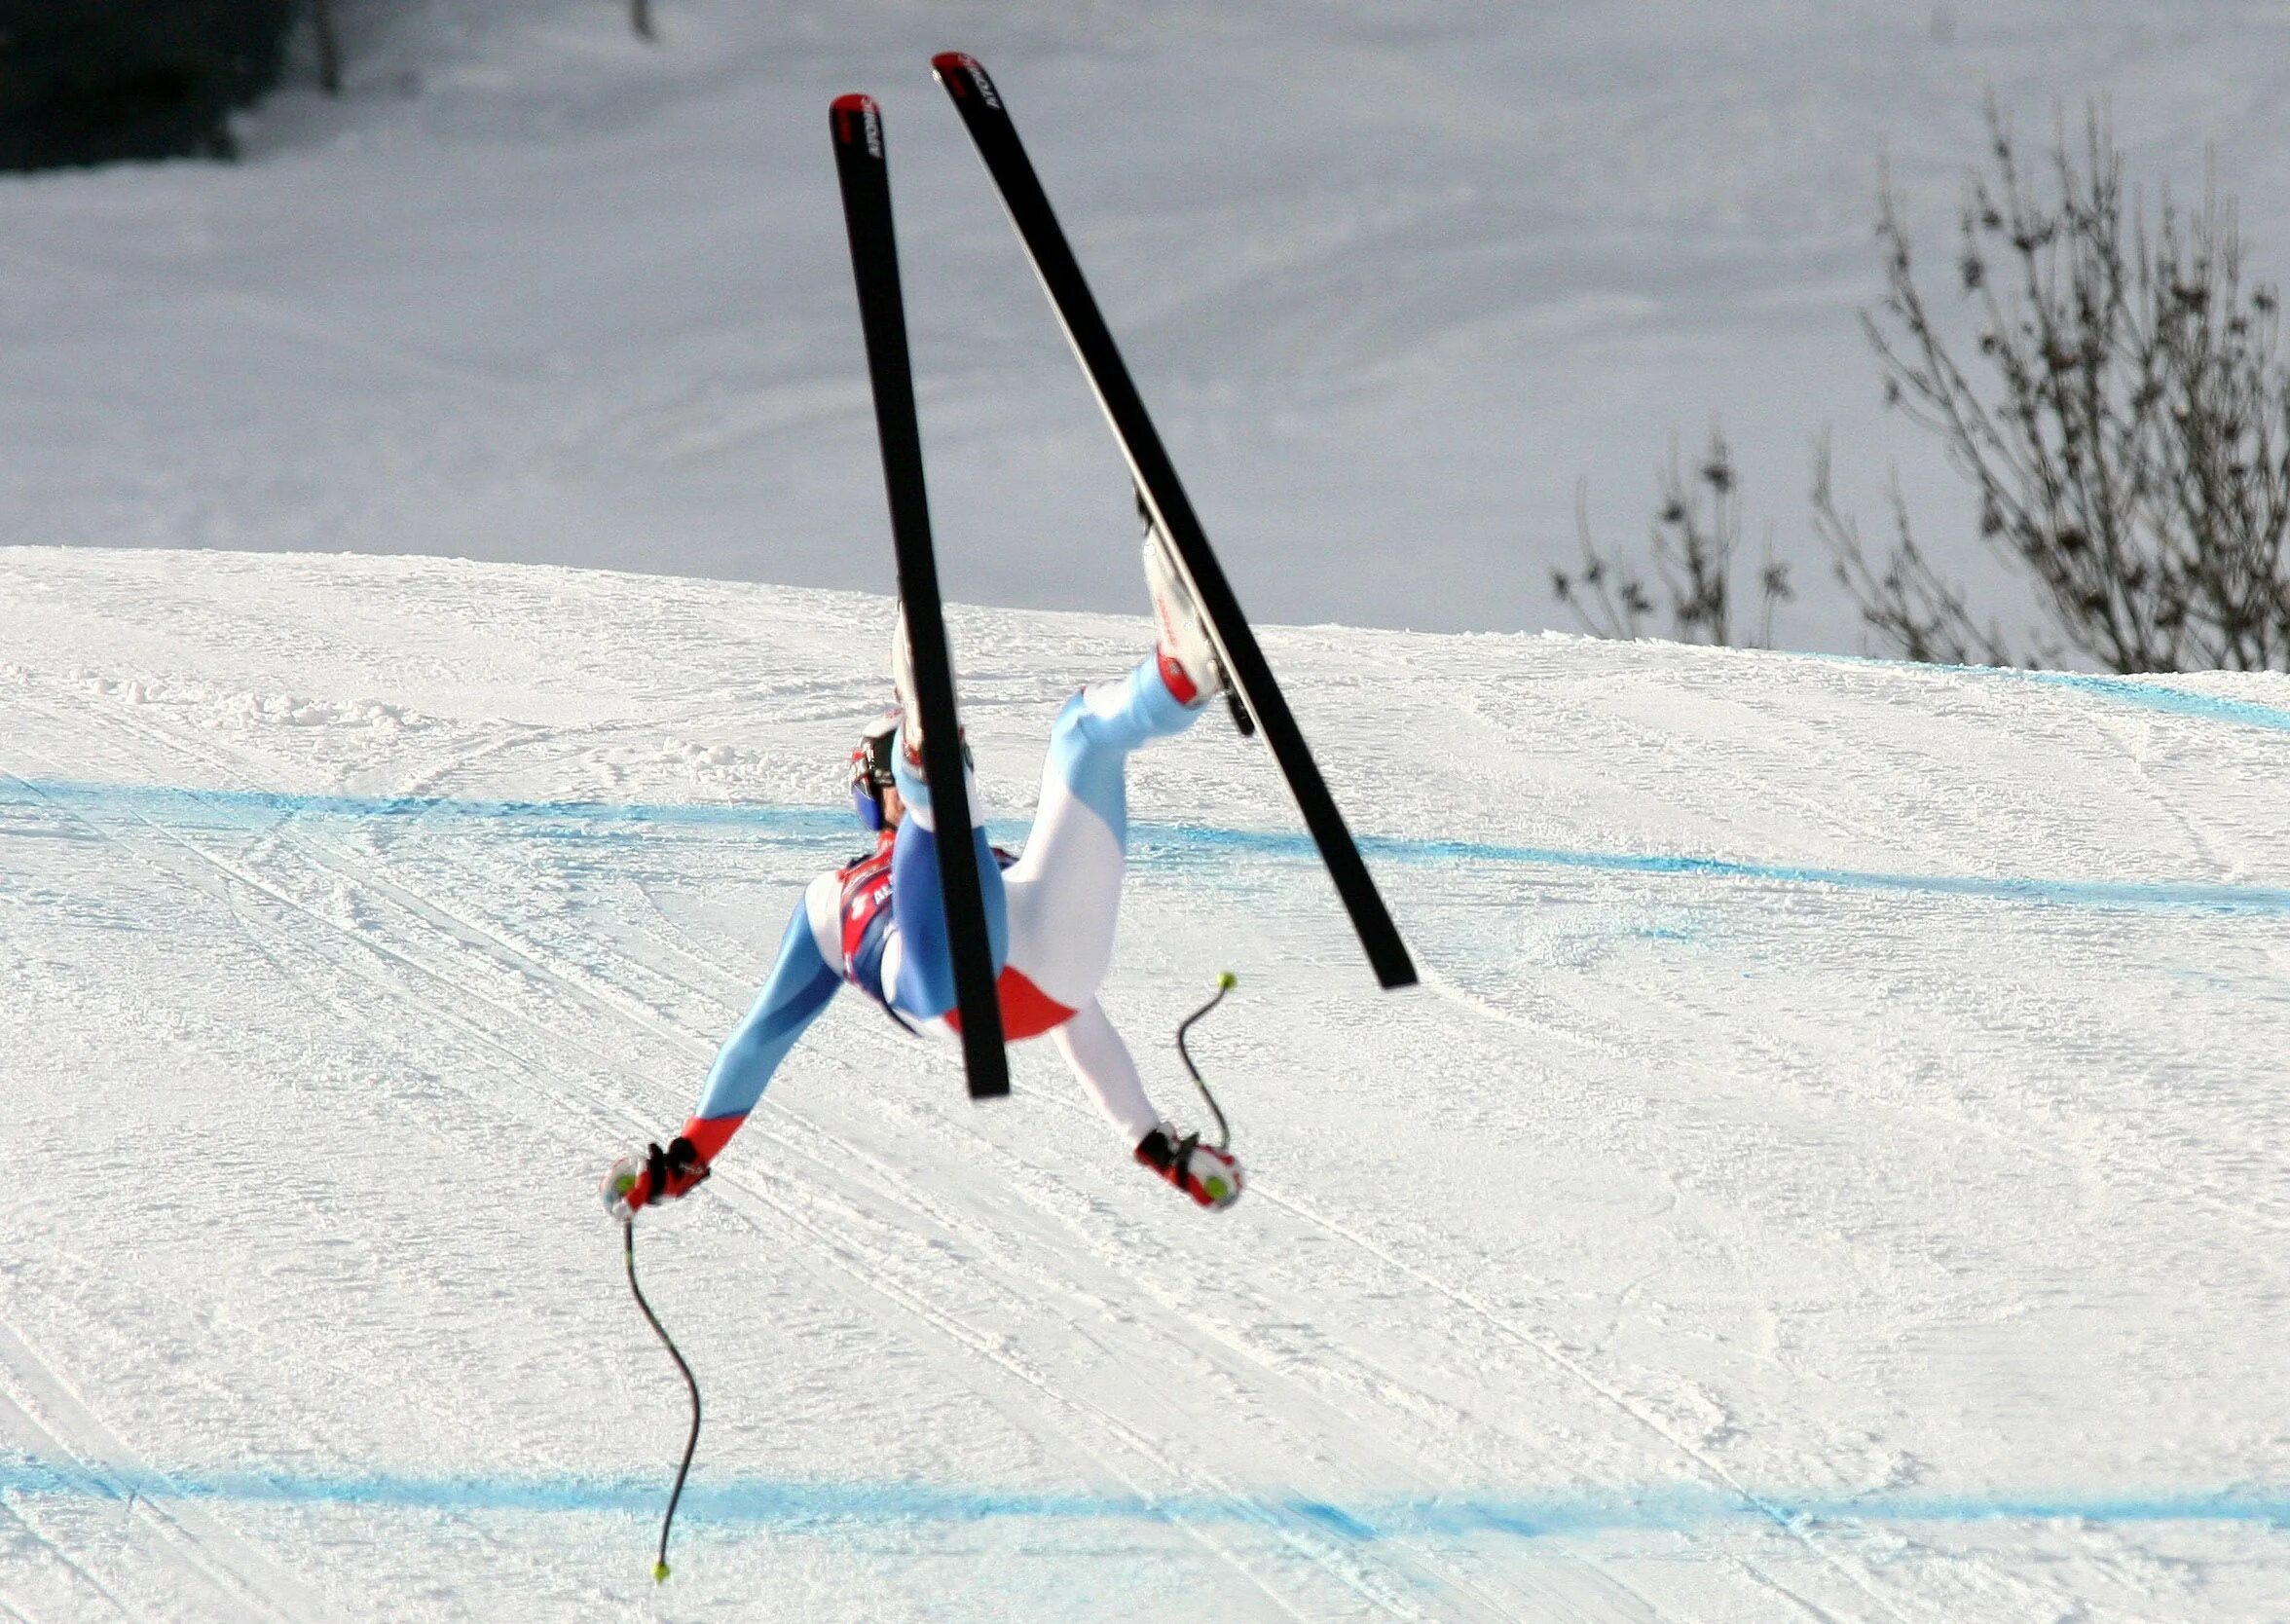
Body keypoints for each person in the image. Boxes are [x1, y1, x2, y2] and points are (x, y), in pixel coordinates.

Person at [605, 534, 1244, 1220]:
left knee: (1082, 735)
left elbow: (1082, 1022)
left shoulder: (951, 864)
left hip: (1049, 973)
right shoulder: (829, 900)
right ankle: (927, 761)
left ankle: (1179, 676)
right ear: (870, 788)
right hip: (947, 984)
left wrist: (1155, 1145)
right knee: (940, 831)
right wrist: (687, 1156)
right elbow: (764, 1034)